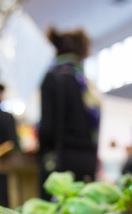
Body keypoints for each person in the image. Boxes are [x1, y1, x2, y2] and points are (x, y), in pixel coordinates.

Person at [38, 28, 100, 199]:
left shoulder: (52, 78)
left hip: (61, 164)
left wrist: (41, 151)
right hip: (87, 161)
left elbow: (47, 128)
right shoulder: (86, 84)